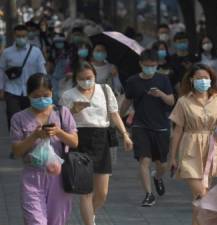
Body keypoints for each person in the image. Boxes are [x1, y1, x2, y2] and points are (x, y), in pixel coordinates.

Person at [59, 61, 133, 225]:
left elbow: (114, 114)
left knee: (102, 192)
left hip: (101, 139)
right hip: (79, 139)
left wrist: (125, 135)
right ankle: (89, 222)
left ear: (95, 75)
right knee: (86, 190)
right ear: (75, 78)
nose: (86, 81)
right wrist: (72, 111)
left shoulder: (105, 90)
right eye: (81, 78)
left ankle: (90, 214)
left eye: (89, 77)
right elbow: (61, 122)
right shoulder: (68, 95)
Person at [169, 64, 217, 225]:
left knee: (200, 199)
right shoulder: (183, 101)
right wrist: (172, 156)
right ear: (192, 79)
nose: (203, 81)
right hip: (190, 148)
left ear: (211, 80)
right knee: (202, 195)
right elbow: (178, 130)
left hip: (211, 148)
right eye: (199, 78)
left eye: (206, 78)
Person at [10, 73, 78, 225]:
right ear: (28, 95)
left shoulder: (62, 113)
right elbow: (17, 151)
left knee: (57, 221)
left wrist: (59, 132)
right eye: (36, 96)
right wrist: (34, 136)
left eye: (46, 95)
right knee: (35, 221)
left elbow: (74, 142)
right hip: (32, 176)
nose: (42, 99)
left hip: (59, 177)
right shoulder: (18, 118)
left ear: (52, 93)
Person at [120, 49, 174, 207]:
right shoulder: (133, 81)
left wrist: (161, 95)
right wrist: (118, 120)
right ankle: (149, 194)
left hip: (161, 126)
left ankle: (157, 177)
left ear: (157, 65)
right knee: (144, 160)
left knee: (162, 164)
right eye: (147, 65)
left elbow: (171, 101)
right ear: (140, 64)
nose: (150, 68)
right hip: (140, 125)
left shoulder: (163, 79)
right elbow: (127, 102)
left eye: (153, 66)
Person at [0, 24, 47, 142]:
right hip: (12, 90)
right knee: (13, 118)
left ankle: (29, 142)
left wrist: (44, 89)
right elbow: (1, 71)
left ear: (27, 36)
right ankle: (16, 144)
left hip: (31, 92)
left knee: (31, 118)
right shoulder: (7, 53)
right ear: (14, 36)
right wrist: (1, 89)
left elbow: (42, 71)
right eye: (18, 36)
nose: (21, 38)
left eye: (23, 36)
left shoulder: (35, 52)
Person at [50, 33, 68, 103]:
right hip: (54, 79)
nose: (59, 44)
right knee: (55, 97)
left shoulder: (69, 53)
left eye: (60, 42)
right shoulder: (52, 53)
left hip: (66, 78)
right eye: (57, 42)